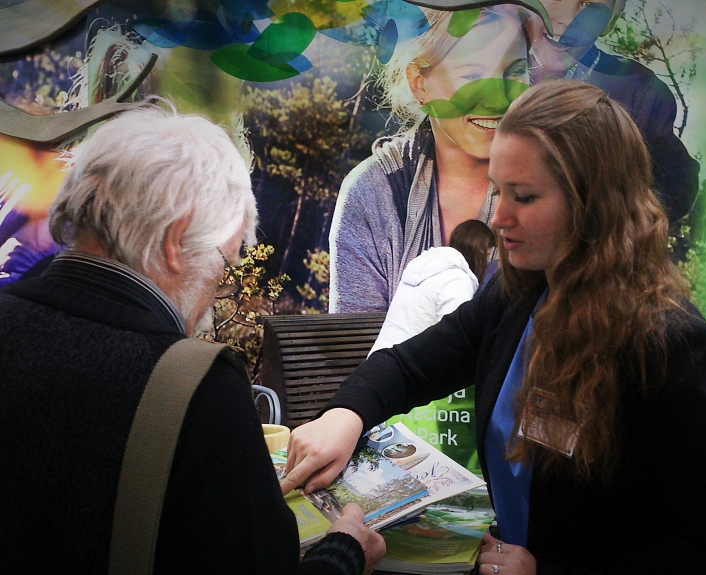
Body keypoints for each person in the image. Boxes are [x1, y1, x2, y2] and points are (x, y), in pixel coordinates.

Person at [281, 80, 706, 574]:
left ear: (593, 202)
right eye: (496, 190)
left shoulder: (675, 349)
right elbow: (412, 366)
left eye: (525, 196)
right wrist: (346, 414)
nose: (497, 216)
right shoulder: (518, 295)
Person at [0, 106, 385, 574]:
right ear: (174, 242)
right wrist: (343, 552)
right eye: (225, 266)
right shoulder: (189, 386)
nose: (215, 295)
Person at [329, 2, 543, 313]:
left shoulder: (558, 183)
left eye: (515, 71)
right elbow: (355, 351)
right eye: (472, 74)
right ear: (419, 82)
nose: (498, 96)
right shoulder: (373, 192)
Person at [528, 0, 699, 223]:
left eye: (590, 4)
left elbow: (678, 182)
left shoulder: (636, 90)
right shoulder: (480, 62)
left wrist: (609, 216)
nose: (569, 20)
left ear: (610, 21)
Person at [369, 219, 495, 354]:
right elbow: (454, 341)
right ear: (478, 253)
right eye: (486, 256)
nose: (486, 264)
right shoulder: (458, 280)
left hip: (378, 361)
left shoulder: (422, 267)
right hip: (404, 367)